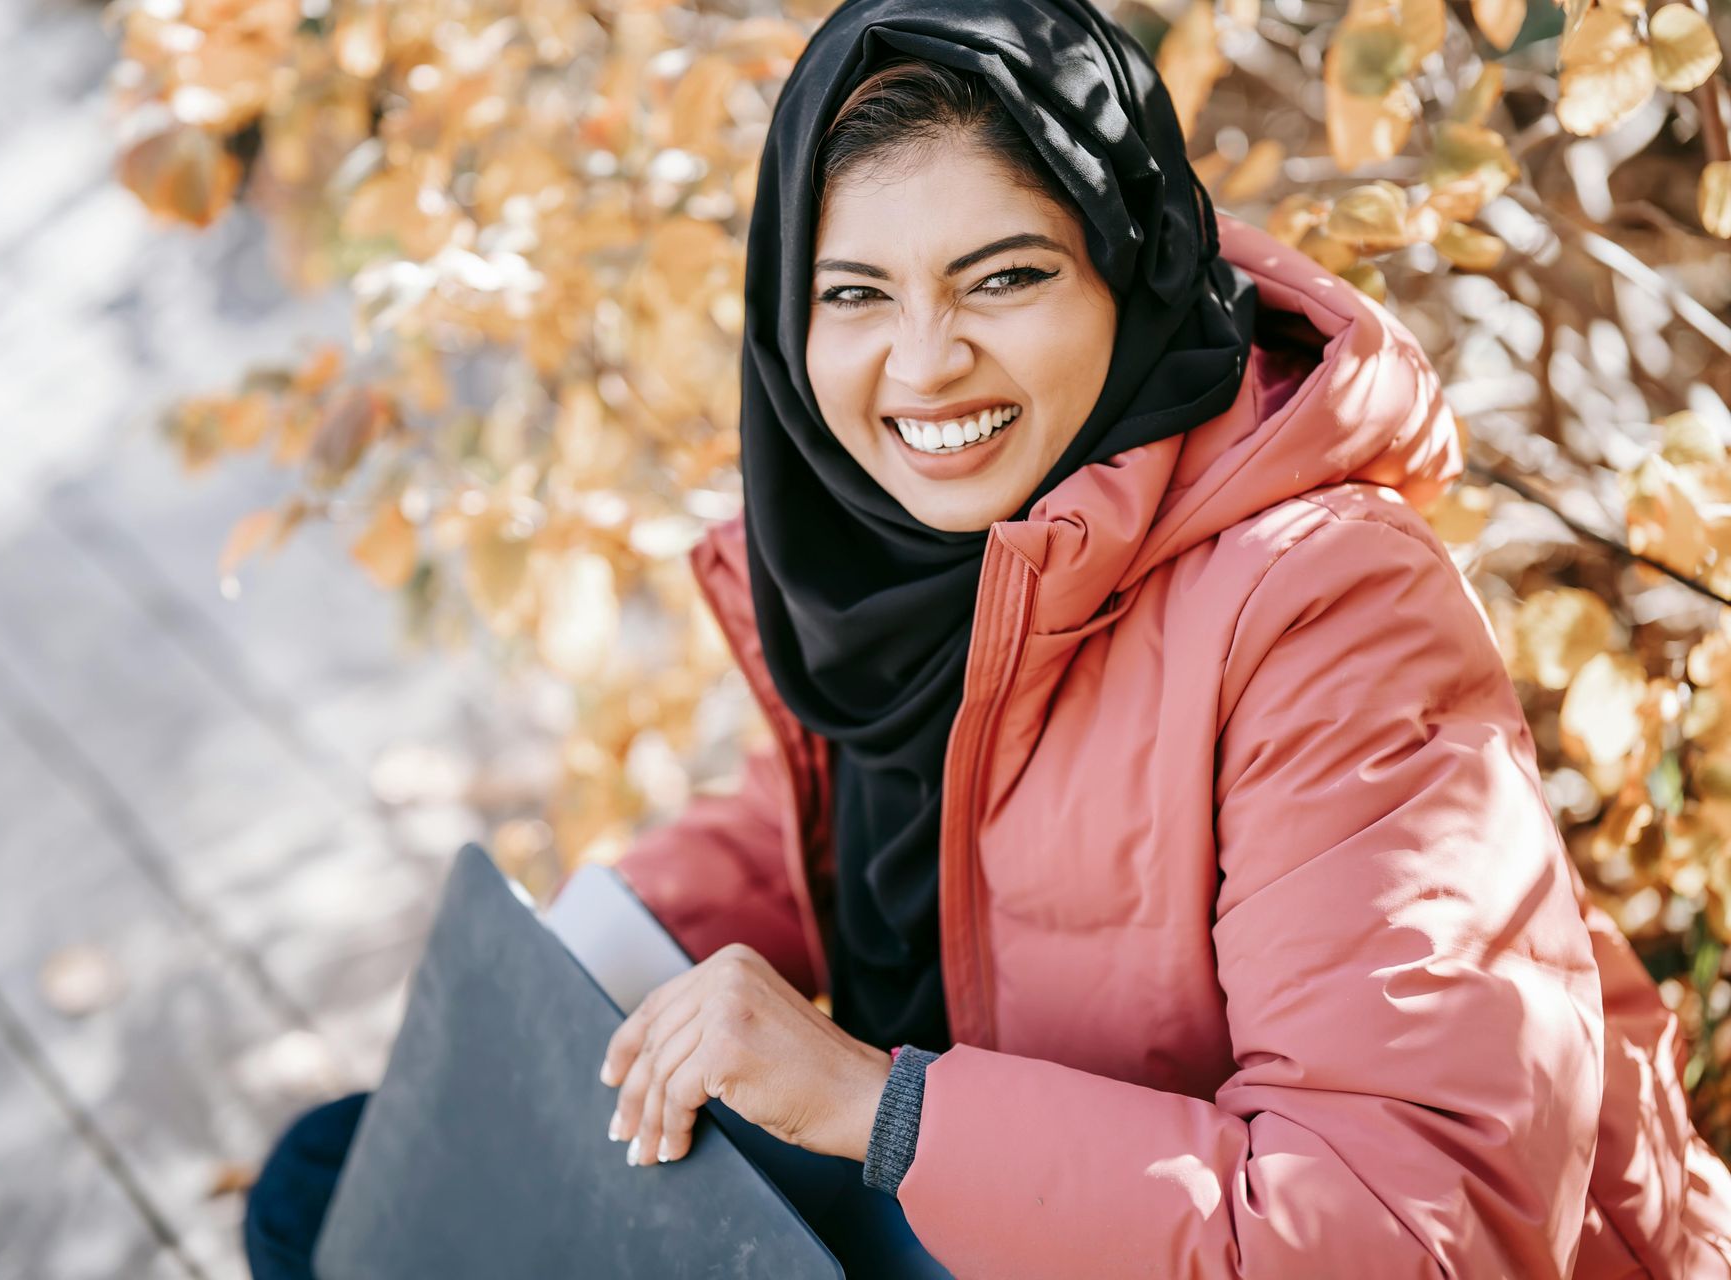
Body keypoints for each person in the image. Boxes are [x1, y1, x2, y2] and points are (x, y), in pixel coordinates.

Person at [248, 1, 1731, 1276]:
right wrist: (579, 969)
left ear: (1129, 265)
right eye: (855, 295)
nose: (921, 364)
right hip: (1012, 1196)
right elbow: (869, 811)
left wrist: (875, 1107)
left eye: (1003, 277)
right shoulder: (928, 550)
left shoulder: (1329, 607)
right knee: (352, 1167)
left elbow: (1420, 1233)